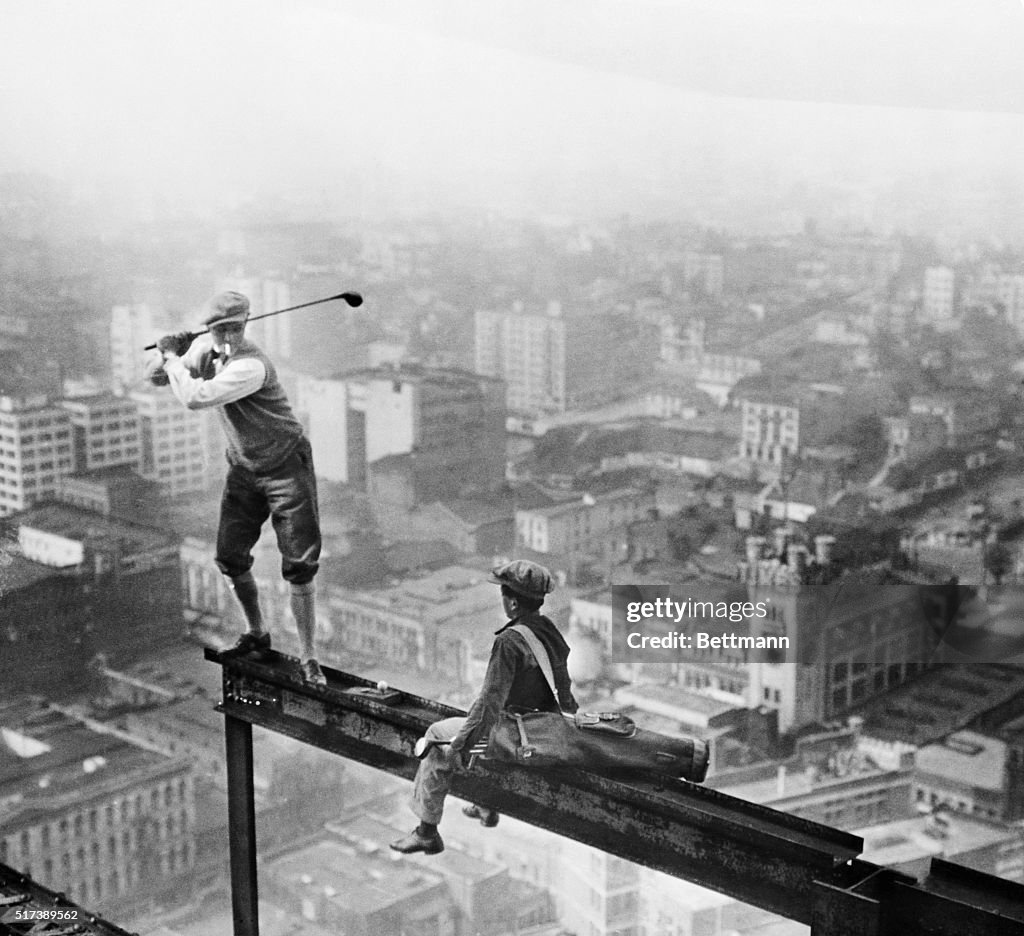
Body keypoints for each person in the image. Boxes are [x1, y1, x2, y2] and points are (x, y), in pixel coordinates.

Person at [149, 290, 327, 686]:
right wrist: (171, 351)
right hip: (245, 467)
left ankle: (309, 657)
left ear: (245, 325)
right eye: (221, 329)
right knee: (229, 556)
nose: (229, 335)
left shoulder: (251, 366)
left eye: (236, 326)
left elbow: (196, 397)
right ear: (210, 330)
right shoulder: (207, 354)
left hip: (284, 465)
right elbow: (157, 377)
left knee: (299, 564)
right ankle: (256, 634)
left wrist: (173, 358)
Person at [390, 559, 577, 855]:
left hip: (519, 733)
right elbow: (563, 685)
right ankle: (485, 806)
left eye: (504, 596)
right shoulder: (548, 629)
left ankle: (426, 832)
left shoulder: (509, 642)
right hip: (545, 727)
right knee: (478, 737)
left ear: (513, 605)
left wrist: (460, 744)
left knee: (443, 737)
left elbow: (490, 702)